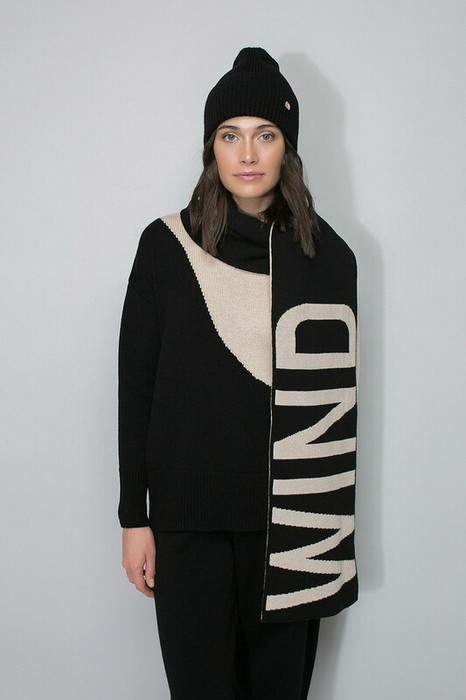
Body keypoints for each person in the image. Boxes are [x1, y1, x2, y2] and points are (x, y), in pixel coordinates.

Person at [118, 47, 358, 700]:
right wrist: (134, 517)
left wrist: (325, 545)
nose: (247, 154)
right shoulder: (165, 246)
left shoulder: (327, 259)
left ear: (288, 148)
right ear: (211, 148)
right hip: (186, 528)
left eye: (265, 134)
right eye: (229, 135)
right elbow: (136, 388)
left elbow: (335, 416)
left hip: (292, 530)